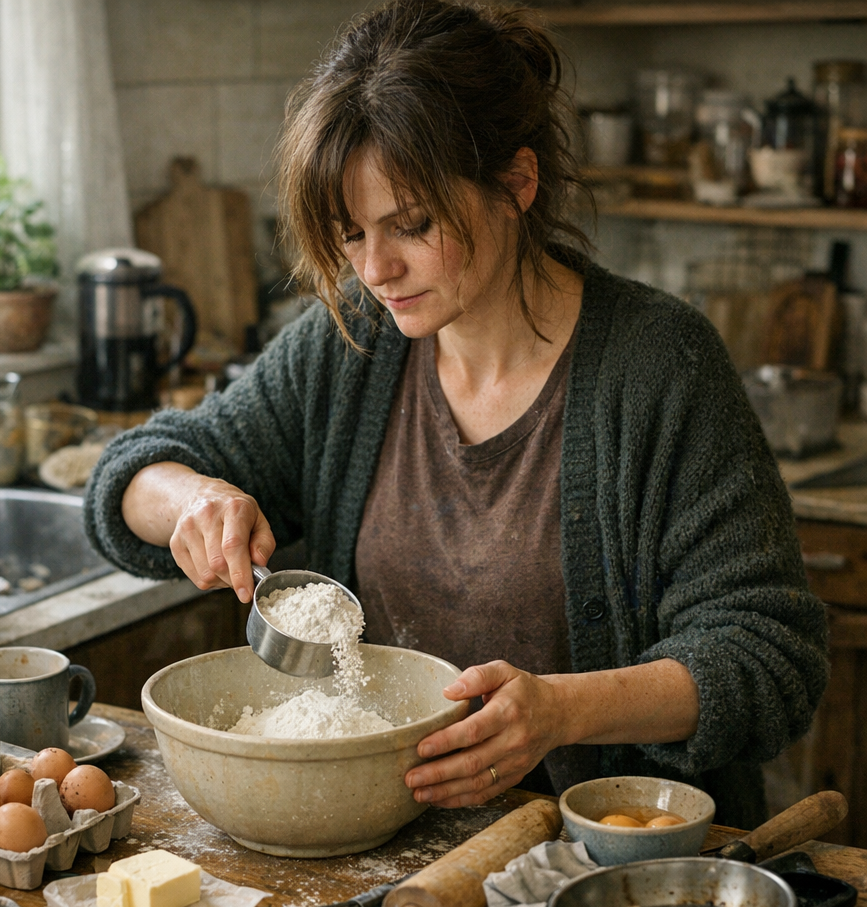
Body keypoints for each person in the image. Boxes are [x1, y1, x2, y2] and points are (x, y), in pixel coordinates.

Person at [84, 0, 827, 828]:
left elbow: (768, 657)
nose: (375, 268)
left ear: (516, 183)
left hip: (607, 866)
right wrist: (192, 499)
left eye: (411, 225)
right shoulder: (353, 347)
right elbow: (133, 472)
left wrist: (562, 711)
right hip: (385, 846)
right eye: (350, 234)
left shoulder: (659, 366)